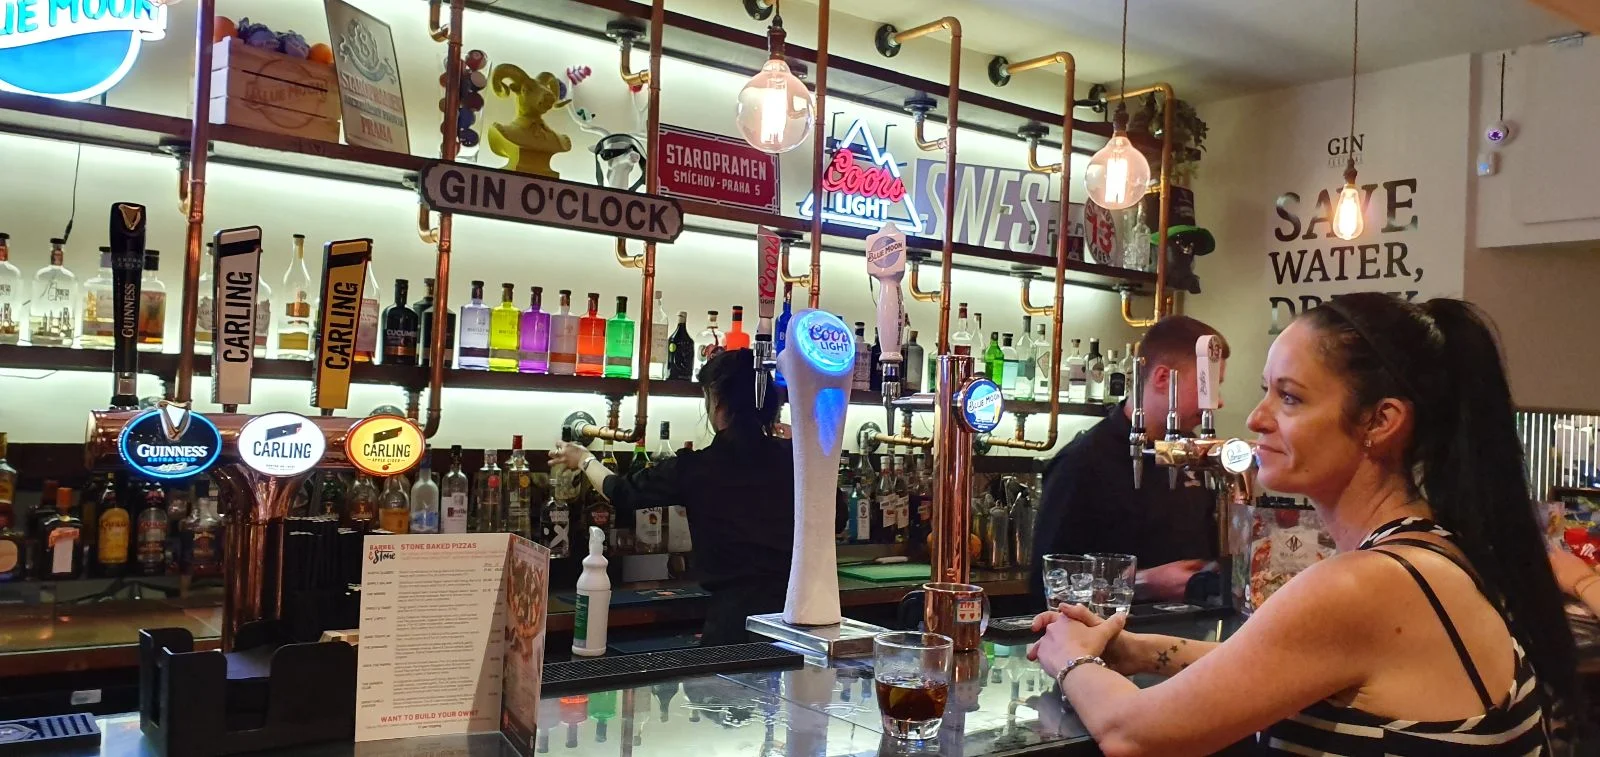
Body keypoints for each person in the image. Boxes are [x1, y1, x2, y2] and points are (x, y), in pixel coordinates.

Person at [1027, 294, 1584, 756]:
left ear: (1381, 421)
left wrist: (1067, 654)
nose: (1254, 417)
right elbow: (1276, 661)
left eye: (1289, 397)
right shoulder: (1439, 550)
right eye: (1266, 389)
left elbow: (1133, 734)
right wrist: (1138, 650)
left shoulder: (1364, 585)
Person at [549, 348, 795, 646]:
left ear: (717, 402)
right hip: (795, 618)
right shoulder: (796, 460)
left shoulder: (697, 467)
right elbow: (836, 516)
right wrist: (808, 450)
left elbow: (621, 491)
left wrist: (584, 458)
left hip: (733, 625)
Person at [1029, 315, 1230, 603]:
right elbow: (1047, 586)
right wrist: (1144, 583)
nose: (1218, 401)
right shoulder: (1083, 463)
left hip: (1192, 636)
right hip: (1112, 641)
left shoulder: (1194, 457)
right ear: (1163, 379)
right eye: (1207, 387)